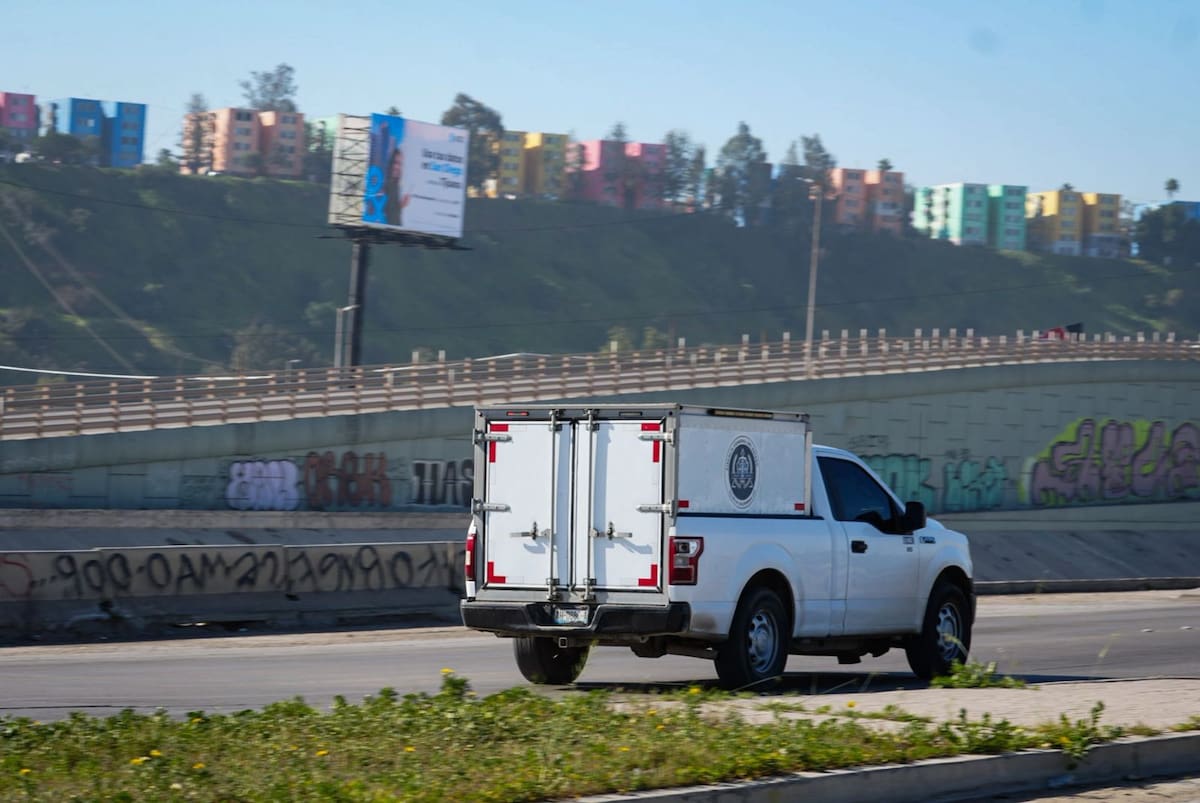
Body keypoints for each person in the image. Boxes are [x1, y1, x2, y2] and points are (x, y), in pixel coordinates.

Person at [384, 144, 410, 227]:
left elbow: (394, 212)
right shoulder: (387, 184)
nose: (398, 167)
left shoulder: (395, 185)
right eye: (396, 163)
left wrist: (401, 205)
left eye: (400, 164)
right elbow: (389, 214)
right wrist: (401, 205)